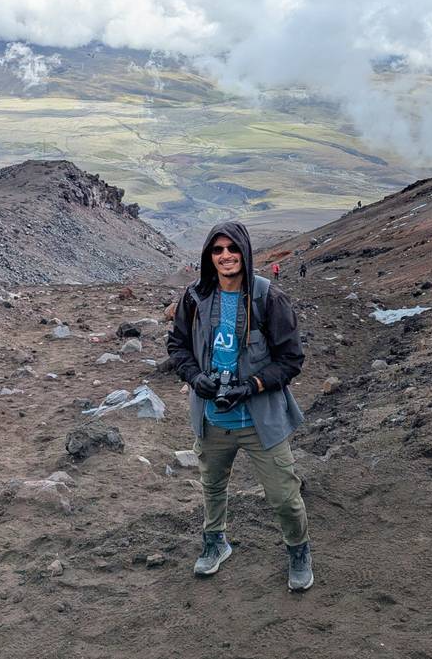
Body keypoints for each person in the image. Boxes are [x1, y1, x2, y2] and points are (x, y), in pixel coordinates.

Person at [167, 222, 313, 591]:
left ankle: (299, 551)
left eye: (232, 248)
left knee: (284, 497)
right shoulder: (194, 297)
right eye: (218, 250)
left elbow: (291, 358)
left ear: (244, 253)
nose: (226, 255)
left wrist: (252, 385)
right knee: (212, 487)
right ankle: (216, 543)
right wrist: (194, 377)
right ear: (209, 256)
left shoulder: (268, 297)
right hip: (212, 418)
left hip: (259, 420)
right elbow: (178, 346)